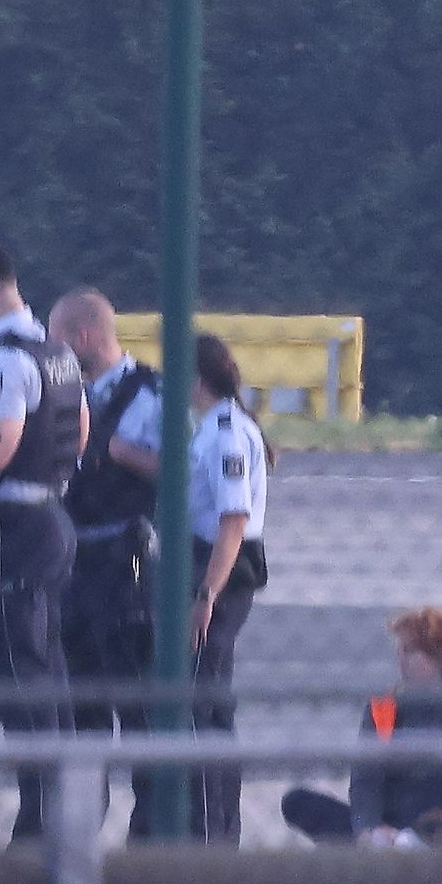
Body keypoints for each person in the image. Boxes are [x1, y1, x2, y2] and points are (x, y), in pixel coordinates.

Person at [0, 240, 82, 841]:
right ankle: (58, 810)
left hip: (15, 533)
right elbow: (80, 432)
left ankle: (41, 820)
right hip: (52, 516)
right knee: (47, 670)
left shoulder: (3, 362)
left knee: (17, 678)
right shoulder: (57, 352)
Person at [281, 606, 442, 845]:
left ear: (441, 658)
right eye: (400, 651)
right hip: (394, 832)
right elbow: (366, 783)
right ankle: (397, 851)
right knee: (297, 802)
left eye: (411, 652)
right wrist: (368, 832)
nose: (401, 660)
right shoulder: (384, 708)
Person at [50, 289, 159, 797]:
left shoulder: (149, 396)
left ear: (83, 336)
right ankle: (80, 837)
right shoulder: (72, 395)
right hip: (74, 570)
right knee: (80, 715)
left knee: (137, 710)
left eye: (59, 340)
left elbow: (181, 474)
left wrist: (121, 454)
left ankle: (151, 844)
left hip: (125, 570)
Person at [179, 335, 270, 845]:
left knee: (202, 704)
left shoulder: (226, 434)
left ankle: (211, 835)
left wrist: (207, 595)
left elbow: (232, 522)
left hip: (220, 569)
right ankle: (214, 831)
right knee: (205, 702)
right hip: (212, 563)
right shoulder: (212, 428)